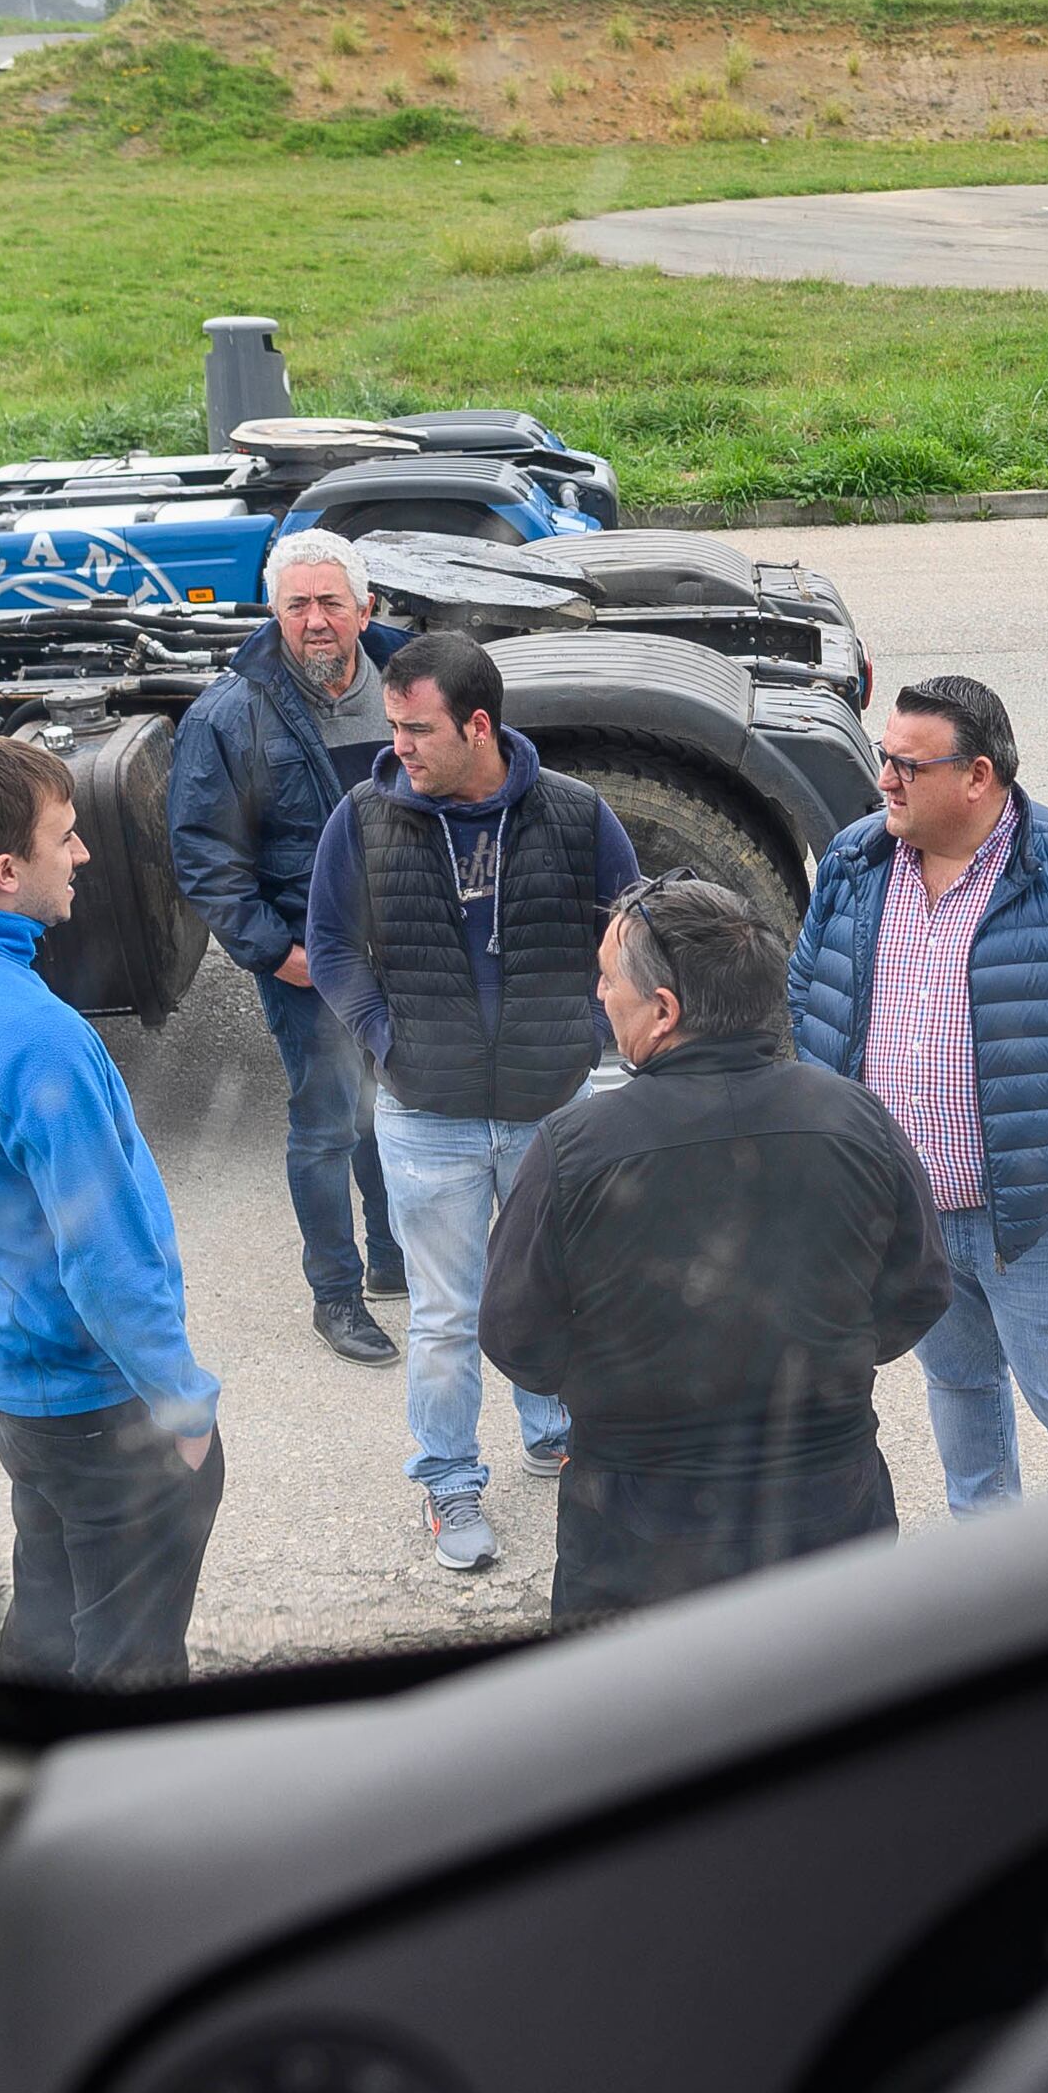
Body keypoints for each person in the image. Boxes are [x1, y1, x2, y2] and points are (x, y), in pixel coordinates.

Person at [785, 674, 1048, 1512]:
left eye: (909, 765)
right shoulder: (858, 859)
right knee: (960, 1387)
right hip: (911, 1211)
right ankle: (990, 1567)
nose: (886, 781)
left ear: (978, 776)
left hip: (1038, 1213)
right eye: (884, 759)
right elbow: (805, 994)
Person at [483, 878, 951, 1623]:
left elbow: (515, 1330)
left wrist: (611, 1395)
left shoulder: (575, 1149)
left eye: (609, 979)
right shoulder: (854, 1118)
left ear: (664, 1011)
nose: (600, 994)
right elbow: (921, 1285)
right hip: (829, 1506)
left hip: (640, 1526)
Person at [0, 734, 222, 1688]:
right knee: (130, 1661)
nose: (86, 855)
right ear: (6, 870)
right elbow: (107, 1258)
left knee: (52, 1600)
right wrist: (181, 1404)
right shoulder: (37, 1039)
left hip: (6, 1373)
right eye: (67, 836)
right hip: (95, 1401)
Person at [304, 627, 638, 1574]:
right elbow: (328, 945)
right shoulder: (363, 818)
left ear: (479, 725)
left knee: (556, 1290)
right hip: (428, 1113)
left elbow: (633, 928)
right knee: (448, 1315)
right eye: (394, 726)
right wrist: (384, 1036)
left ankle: (552, 1427)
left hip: (548, 1104)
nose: (396, 747)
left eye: (416, 729)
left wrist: (591, 1033)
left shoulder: (576, 814)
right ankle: (449, 1481)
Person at [165, 529, 406, 1366]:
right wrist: (277, 952)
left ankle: (391, 1254)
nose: (314, 621)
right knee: (328, 1119)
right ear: (274, 611)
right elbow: (203, 852)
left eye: (331, 603)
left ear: (364, 609)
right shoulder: (229, 716)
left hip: (403, 950)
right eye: (297, 604)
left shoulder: (408, 686)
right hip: (311, 959)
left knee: (391, 1102)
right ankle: (335, 1295)